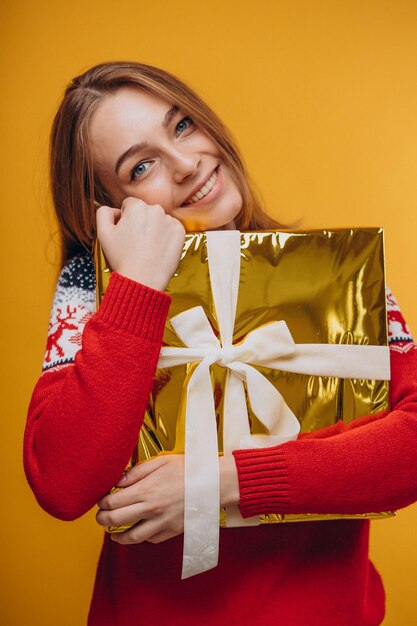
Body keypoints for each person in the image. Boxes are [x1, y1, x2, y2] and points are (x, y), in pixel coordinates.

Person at [24, 61, 417, 626]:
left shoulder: (334, 277)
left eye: (182, 125)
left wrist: (218, 483)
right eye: (140, 166)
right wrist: (134, 289)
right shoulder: (92, 300)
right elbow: (62, 483)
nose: (187, 165)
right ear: (107, 206)